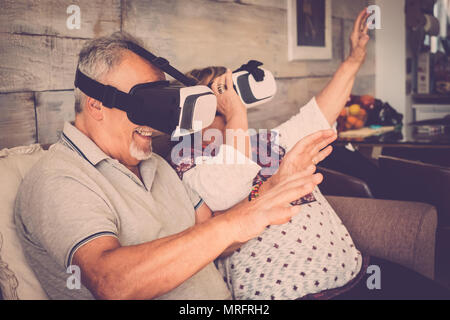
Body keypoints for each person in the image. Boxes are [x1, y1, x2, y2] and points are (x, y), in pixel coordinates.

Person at [13, 32, 331, 300]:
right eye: (144, 106)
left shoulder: (155, 164)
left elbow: (215, 235)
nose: (156, 124)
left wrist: (276, 186)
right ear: (96, 104)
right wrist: (236, 221)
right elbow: (110, 282)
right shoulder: (59, 177)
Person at [168, 9, 450, 299]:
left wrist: (354, 59)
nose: (229, 99)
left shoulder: (262, 141)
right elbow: (227, 189)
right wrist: (237, 115)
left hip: (356, 272)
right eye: (219, 94)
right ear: (193, 109)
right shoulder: (187, 161)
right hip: (296, 290)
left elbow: (317, 116)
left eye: (228, 92)